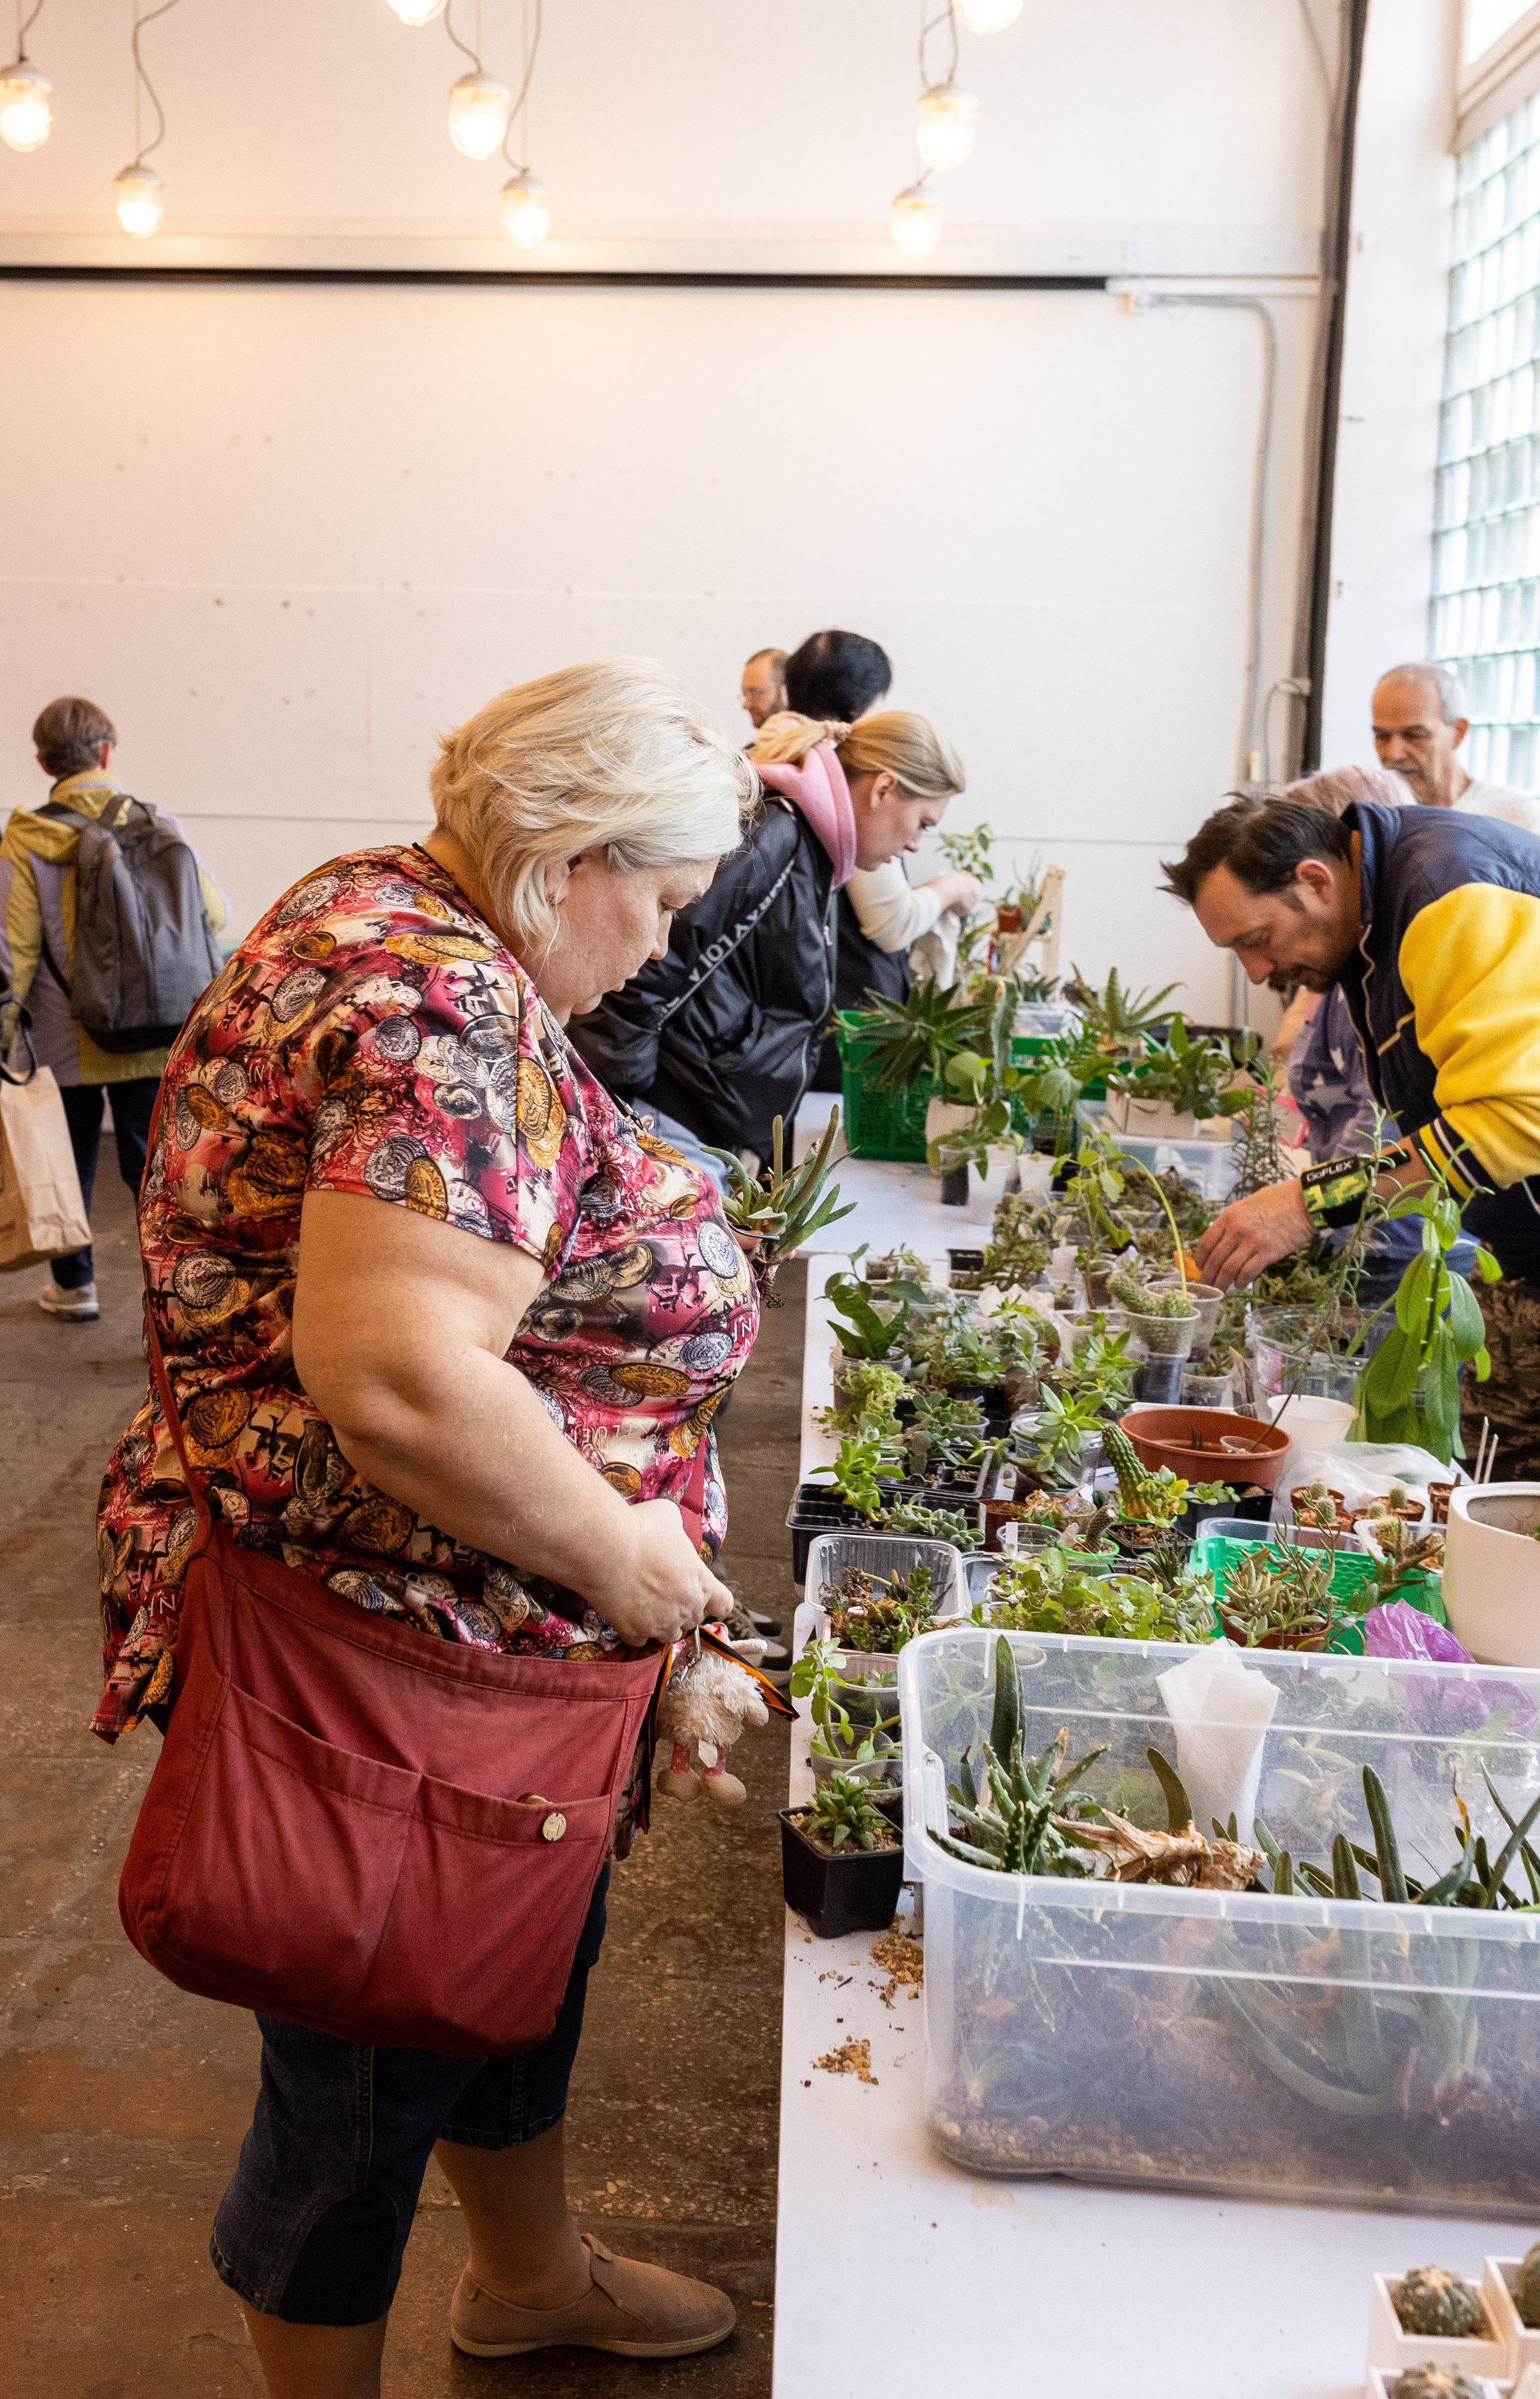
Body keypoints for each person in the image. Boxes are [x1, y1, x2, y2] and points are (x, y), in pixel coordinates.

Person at [95, 659, 759, 2395]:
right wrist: (626, 1562)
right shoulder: (437, 1006)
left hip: (476, 1634)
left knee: (502, 1978)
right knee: (363, 2080)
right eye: (665, 903)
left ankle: (531, 2275)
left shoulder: (386, 902)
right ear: (568, 864)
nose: (671, 949)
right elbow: (394, 1374)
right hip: (389, 1648)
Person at [1161, 789, 1540, 1478]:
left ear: (1313, 880)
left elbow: (1516, 1118)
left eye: (1255, 939)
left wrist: (1310, 1202)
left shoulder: (1448, 893)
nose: (1256, 971)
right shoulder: (1376, 920)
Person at [568, 708, 966, 1175]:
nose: (918, 844)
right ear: (883, 789)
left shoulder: (810, 849)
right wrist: (623, 1119)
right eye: (924, 822)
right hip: (669, 1121)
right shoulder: (776, 836)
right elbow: (644, 966)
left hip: (702, 1127)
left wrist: (746, 1135)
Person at [0, 695, 227, 1322]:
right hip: (153, 1029)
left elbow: (13, 949)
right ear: (107, 752)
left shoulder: (24, 839)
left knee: (68, 1159)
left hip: (64, 1032)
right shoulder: (158, 825)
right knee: (151, 1167)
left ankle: (76, 1288)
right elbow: (214, 914)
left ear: (45, 761)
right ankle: (166, 1294)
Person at [1270, 768, 1477, 1314]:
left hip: (1396, 1249)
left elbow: (1381, 1127)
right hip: (1361, 1239)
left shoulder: (1407, 962)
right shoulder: (1348, 973)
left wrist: (1299, 1209)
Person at [776, 629, 978, 1087]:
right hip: (835, 1045)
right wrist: (949, 889)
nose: (913, 846)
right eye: (923, 824)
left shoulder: (796, 791)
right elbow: (890, 922)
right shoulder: (842, 805)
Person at [1371, 660, 1540, 833]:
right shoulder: (1364, 819)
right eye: (1382, 736)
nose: (1394, 753)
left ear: (1459, 733)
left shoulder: (1517, 820)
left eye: (1414, 736)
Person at [739, 647, 787, 729]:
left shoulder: (813, 739)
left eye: (753, 693)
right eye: (745, 695)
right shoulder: (760, 741)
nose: (746, 705)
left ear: (785, 690)